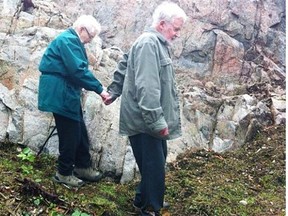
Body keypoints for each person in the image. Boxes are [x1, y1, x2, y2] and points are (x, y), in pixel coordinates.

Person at [103, 2, 187, 215]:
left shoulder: (153, 43)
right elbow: (147, 87)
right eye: (176, 29)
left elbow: (125, 63)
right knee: (154, 168)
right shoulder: (149, 43)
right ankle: (151, 209)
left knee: (154, 164)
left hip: (147, 120)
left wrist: (114, 91)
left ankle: (143, 201)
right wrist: (157, 122)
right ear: (161, 24)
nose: (177, 34)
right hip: (145, 121)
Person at [38, 15, 109, 187]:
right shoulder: (68, 40)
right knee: (69, 133)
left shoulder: (71, 41)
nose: (89, 41)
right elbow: (77, 70)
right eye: (90, 37)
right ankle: (63, 173)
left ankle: (82, 166)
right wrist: (100, 89)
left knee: (78, 129)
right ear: (82, 29)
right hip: (60, 91)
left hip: (66, 91)